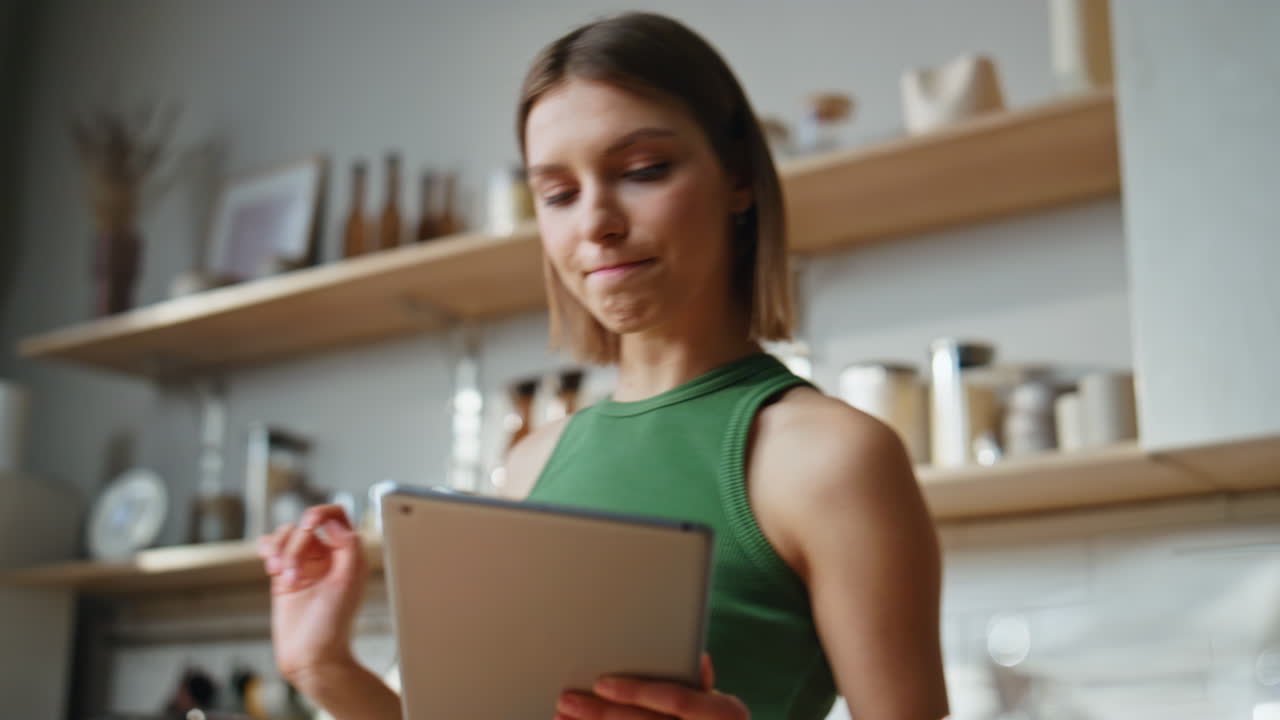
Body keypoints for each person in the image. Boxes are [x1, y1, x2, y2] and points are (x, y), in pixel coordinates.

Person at [256, 12, 948, 720]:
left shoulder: (833, 458)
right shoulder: (530, 463)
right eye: (558, 194)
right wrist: (324, 667)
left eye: (643, 171)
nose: (594, 223)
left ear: (738, 177)